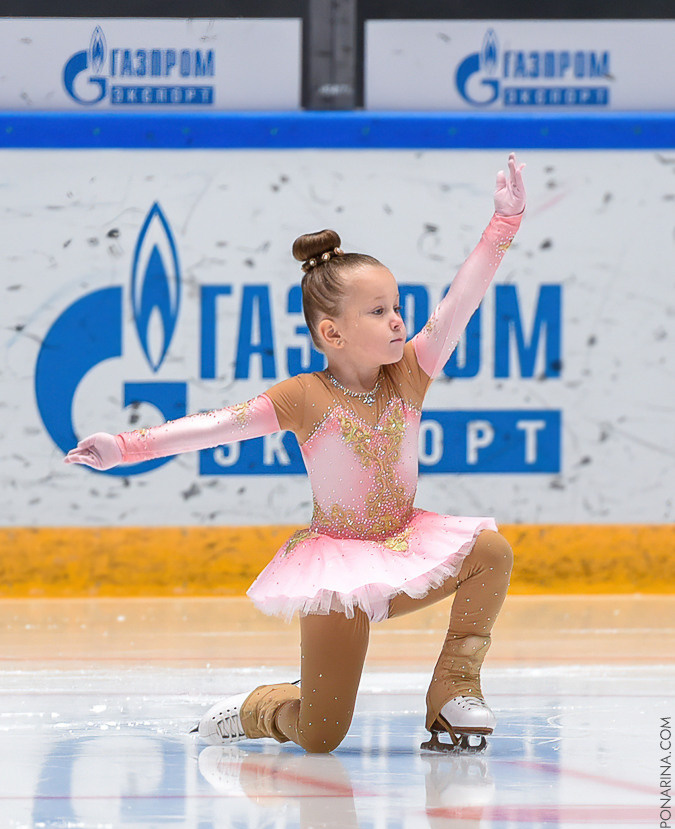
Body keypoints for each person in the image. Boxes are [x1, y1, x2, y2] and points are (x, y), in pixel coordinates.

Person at [65, 153, 526, 754]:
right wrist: (125, 447)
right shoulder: (303, 397)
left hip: (405, 546)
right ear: (332, 333)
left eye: (397, 307)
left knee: (490, 551)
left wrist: (504, 223)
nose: (397, 321)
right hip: (338, 570)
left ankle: (454, 691)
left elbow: (461, 301)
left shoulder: (412, 370)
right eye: (379, 311)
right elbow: (213, 427)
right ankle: (256, 709)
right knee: (320, 735)